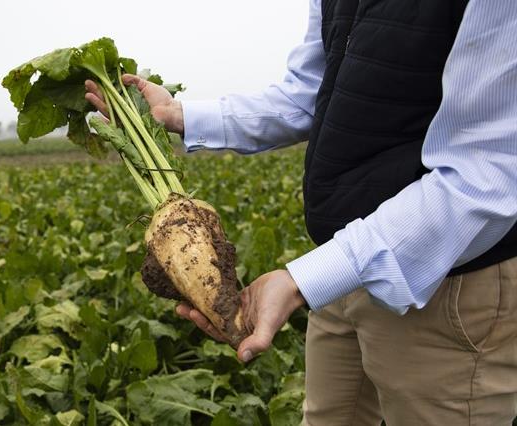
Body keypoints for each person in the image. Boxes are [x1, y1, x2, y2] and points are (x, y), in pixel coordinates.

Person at [85, 0, 517, 424]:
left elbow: (486, 173)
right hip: (341, 269)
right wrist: (178, 114)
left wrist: (303, 280)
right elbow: (309, 92)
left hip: (450, 277)